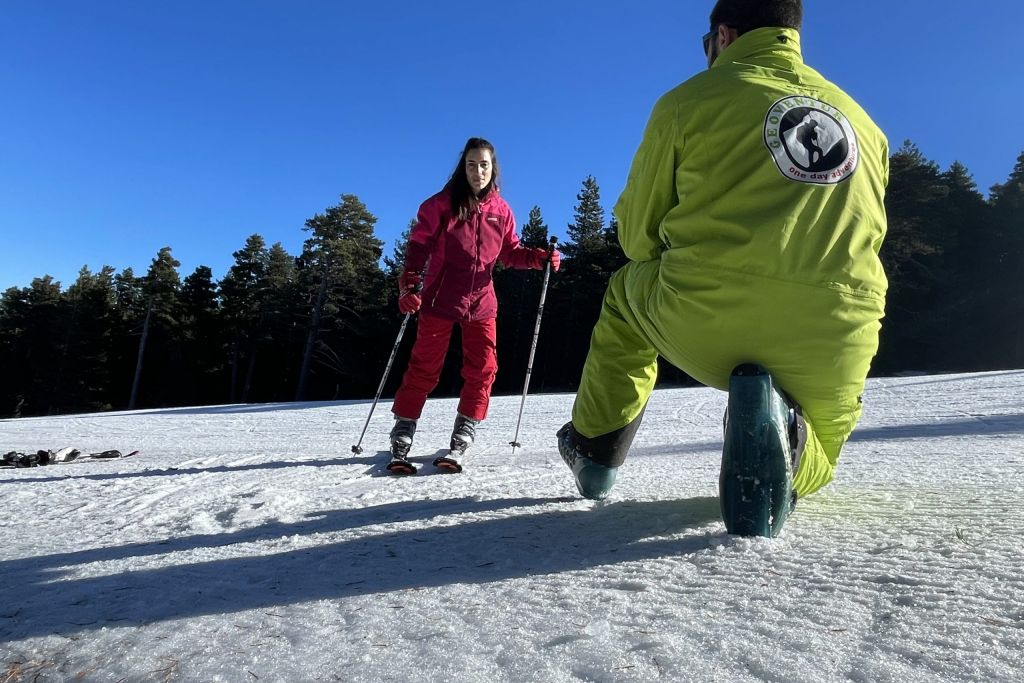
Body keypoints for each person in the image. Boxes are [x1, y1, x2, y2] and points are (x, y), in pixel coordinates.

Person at [556, 0, 888, 536]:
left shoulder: (686, 103)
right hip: (837, 337)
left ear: (724, 36)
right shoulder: (868, 128)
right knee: (823, 457)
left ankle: (595, 453)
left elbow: (638, 238)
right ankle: (790, 438)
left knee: (624, 294)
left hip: (712, 316)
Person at [389, 137, 561, 474]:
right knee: (424, 368)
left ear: (492, 169)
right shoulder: (440, 205)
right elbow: (418, 248)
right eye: (471, 164)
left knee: (483, 369)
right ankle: (403, 429)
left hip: (482, 302)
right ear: (462, 167)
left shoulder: (502, 211)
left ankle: (464, 431)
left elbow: (510, 253)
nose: (478, 171)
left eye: (484, 165)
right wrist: (409, 284)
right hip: (439, 299)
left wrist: (539, 258)